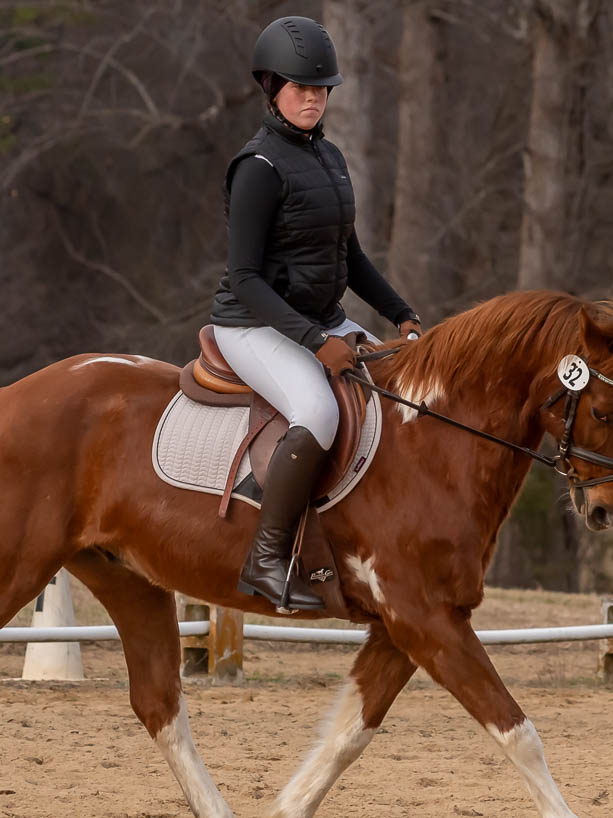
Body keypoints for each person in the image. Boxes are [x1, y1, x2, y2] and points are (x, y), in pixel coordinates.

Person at [211, 15, 422, 612]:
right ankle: (266, 559)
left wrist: (402, 315)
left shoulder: (329, 156)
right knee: (319, 412)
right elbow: (245, 278)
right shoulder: (257, 168)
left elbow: (349, 256)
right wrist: (314, 340)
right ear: (272, 87)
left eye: (321, 88)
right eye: (301, 88)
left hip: (320, 319)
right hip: (252, 324)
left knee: (400, 390)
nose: (313, 98)